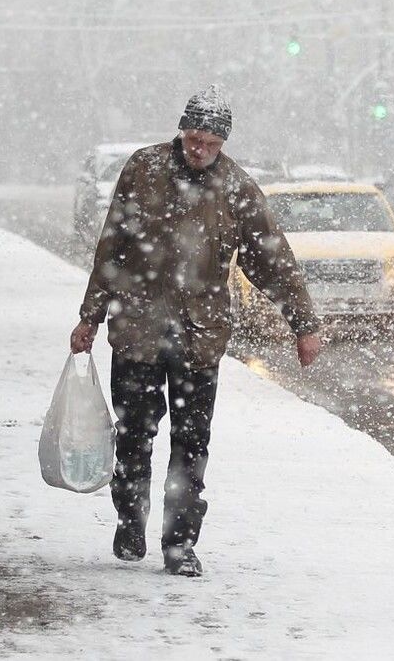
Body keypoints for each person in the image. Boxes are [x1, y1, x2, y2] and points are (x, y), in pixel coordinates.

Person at [69, 86, 323, 577]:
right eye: (193, 138)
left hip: (198, 338)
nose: (199, 149)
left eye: (209, 141)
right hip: (137, 330)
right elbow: (112, 247)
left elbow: (271, 260)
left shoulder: (237, 188)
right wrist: (90, 315)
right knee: (134, 437)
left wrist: (304, 325)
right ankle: (130, 518)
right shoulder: (142, 170)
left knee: (191, 445)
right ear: (181, 131)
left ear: (223, 142)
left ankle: (180, 544)